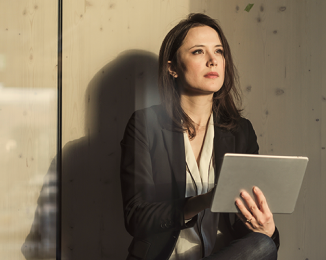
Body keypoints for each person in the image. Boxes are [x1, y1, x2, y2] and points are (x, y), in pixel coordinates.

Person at [120, 13, 280, 260]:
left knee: (263, 244)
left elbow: (244, 223)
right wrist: (202, 201)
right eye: (198, 52)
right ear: (172, 68)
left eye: (219, 51)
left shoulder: (240, 131)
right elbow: (136, 216)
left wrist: (266, 227)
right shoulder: (145, 125)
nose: (213, 60)